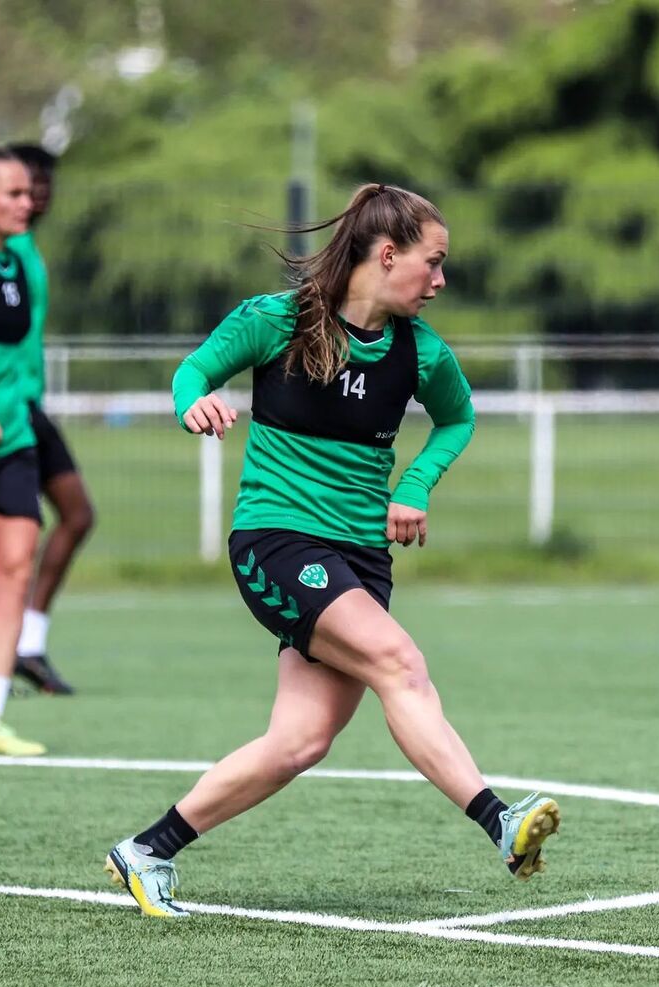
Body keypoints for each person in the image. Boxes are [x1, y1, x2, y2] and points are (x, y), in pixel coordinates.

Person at [104, 183, 560, 918]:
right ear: (388, 255)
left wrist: (414, 486)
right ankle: (500, 821)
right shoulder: (276, 320)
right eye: (433, 263)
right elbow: (193, 372)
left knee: (299, 742)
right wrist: (192, 403)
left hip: (360, 563)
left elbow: (458, 420)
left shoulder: (420, 353)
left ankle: (145, 851)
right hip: (278, 542)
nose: (440, 281)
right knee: (401, 663)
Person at [6, 143, 94, 696]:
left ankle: (27, 644)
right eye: (21, 186)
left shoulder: (25, 248)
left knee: (76, 515)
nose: (37, 194)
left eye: (41, 184)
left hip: (27, 407)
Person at [0, 148, 47, 756]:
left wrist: (16, 406)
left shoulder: (22, 259)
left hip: (14, 441)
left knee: (15, 569)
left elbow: (25, 353)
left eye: (29, 194)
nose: (27, 203)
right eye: (13, 193)